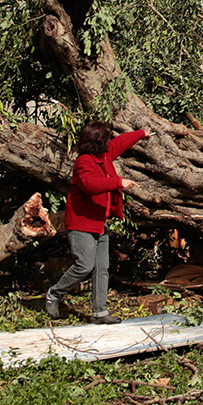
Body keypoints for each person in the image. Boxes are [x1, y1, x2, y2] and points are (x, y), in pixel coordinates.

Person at [45, 121, 149, 324]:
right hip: (82, 223)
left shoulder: (104, 155)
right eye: (106, 138)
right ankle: (54, 294)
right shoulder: (84, 162)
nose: (110, 141)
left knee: (102, 267)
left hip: (100, 222)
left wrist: (141, 134)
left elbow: (121, 142)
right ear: (97, 142)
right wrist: (119, 182)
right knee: (84, 265)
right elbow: (90, 184)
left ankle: (100, 313)